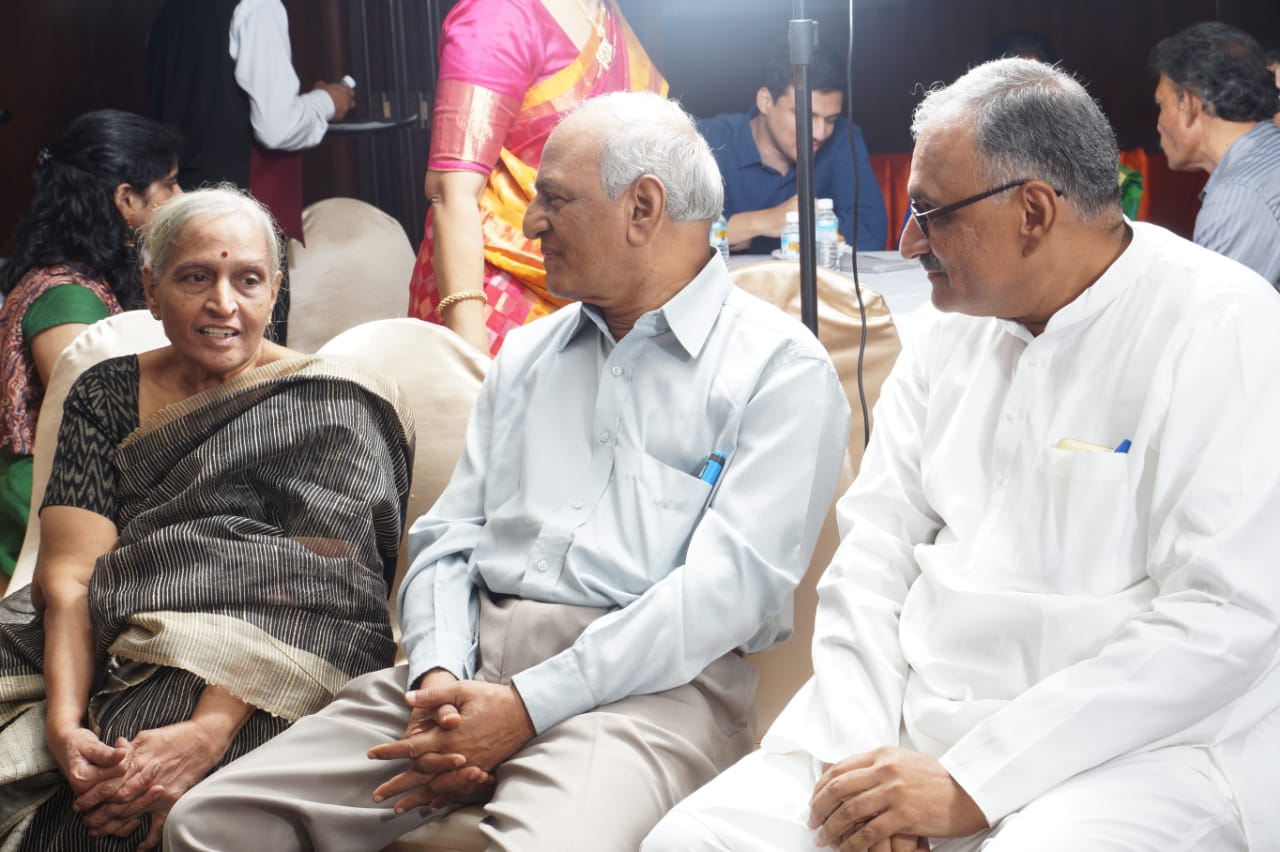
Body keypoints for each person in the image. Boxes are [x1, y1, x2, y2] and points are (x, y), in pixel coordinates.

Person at [164, 91, 851, 852]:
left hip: (647, 697)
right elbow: (448, 539)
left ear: (643, 208)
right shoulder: (527, 353)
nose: (529, 224)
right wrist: (437, 678)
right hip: (467, 665)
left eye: (553, 199)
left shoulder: (778, 371)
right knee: (208, 825)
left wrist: (526, 706)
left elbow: (725, 596)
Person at [645, 58, 1280, 852]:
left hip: (1130, 757)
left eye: (930, 213)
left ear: (1034, 212)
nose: (907, 242)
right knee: (692, 840)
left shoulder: (1224, 325)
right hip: (906, 721)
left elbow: (1220, 618)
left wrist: (973, 783)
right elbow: (873, 555)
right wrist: (862, 771)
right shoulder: (948, 330)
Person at [0, 186, 413, 851]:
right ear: (152, 288)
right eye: (196, 277)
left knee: (129, 773)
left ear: (274, 291)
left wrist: (207, 732)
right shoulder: (104, 394)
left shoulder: (332, 403)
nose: (224, 303)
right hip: (114, 623)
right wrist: (63, 723)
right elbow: (72, 578)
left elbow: (324, 594)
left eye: (247, 280)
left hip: (273, 659)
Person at [406, 0, 667, 356]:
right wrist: (472, 358)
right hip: (500, 297)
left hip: (593, 295)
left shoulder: (606, 14)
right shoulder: (499, 14)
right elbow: (452, 193)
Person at [0, 109, 182, 583]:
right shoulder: (67, 299)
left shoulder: (90, 277)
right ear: (126, 200)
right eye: (169, 184)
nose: (181, 197)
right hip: (44, 513)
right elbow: (95, 425)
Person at [147, 0, 355, 244]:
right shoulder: (258, 6)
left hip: (182, 205)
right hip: (242, 210)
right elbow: (278, 128)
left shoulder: (170, 13)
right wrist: (327, 101)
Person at [697, 44, 887, 255]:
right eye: (806, 116)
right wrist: (765, 221)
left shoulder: (843, 138)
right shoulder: (705, 141)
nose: (820, 133)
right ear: (765, 101)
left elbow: (870, 236)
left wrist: (754, 237)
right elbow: (678, 240)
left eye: (831, 120)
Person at [1149, 21, 1280, 288]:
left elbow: (1212, 311)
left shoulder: (1238, 195)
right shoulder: (1268, 154)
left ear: (1189, 103)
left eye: (1161, 104)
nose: (1158, 123)